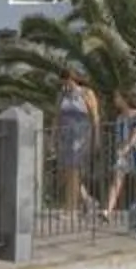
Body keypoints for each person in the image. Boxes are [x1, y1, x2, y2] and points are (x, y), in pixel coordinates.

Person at [101, 91, 136, 233]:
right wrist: (120, 151)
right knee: (116, 182)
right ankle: (108, 211)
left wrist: (126, 149)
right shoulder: (120, 118)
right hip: (123, 155)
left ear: (125, 99)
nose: (115, 101)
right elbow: (119, 137)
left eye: (117, 98)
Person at [55, 70, 98, 212]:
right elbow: (56, 116)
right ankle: (87, 200)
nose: (63, 85)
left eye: (64, 81)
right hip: (65, 136)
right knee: (67, 172)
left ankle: (71, 208)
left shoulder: (86, 93)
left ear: (70, 79)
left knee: (73, 170)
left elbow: (95, 116)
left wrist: (95, 136)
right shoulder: (62, 95)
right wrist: (53, 135)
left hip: (80, 135)